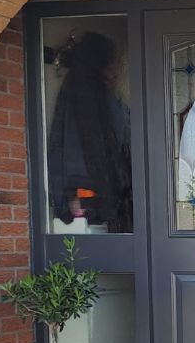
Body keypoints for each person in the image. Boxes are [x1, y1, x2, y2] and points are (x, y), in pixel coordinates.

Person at [46, 29, 132, 233]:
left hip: (93, 197)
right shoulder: (88, 94)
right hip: (92, 197)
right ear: (102, 63)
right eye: (113, 62)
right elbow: (82, 147)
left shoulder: (85, 91)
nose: (116, 68)